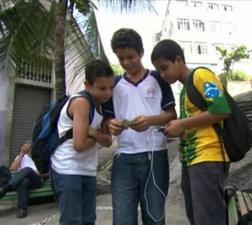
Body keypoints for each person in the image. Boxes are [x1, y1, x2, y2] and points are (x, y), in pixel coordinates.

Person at [151, 39, 231, 225]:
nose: (162, 75)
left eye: (165, 68)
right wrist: (176, 128)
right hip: (191, 160)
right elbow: (194, 123)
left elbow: (222, 109)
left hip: (208, 157)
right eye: (159, 70)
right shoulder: (184, 90)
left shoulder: (201, 75)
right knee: (196, 217)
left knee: (208, 219)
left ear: (178, 59)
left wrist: (183, 123)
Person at [105, 28, 176, 225]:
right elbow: (107, 118)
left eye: (131, 57)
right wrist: (112, 125)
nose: (126, 62)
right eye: (121, 59)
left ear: (141, 52)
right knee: (122, 219)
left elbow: (172, 114)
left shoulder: (159, 79)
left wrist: (150, 120)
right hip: (124, 159)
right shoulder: (115, 84)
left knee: (154, 217)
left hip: (155, 156)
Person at [50, 60, 114, 225]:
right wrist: (98, 136)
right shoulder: (81, 103)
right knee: (72, 220)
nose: (107, 93)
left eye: (111, 87)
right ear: (88, 85)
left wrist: (93, 133)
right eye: (102, 88)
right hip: (68, 168)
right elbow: (79, 145)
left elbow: (108, 141)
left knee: (88, 220)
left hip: (87, 170)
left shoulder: (101, 104)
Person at [0, 143, 43, 218]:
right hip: (25, 181)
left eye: (29, 147)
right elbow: (12, 168)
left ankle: (5, 188)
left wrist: (36, 172)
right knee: (24, 181)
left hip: (36, 180)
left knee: (27, 169)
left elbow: (44, 173)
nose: (27, 148)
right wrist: (22, 154)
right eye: (25, 147)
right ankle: (23, 210)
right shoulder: (21, 157)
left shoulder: (38, 157)